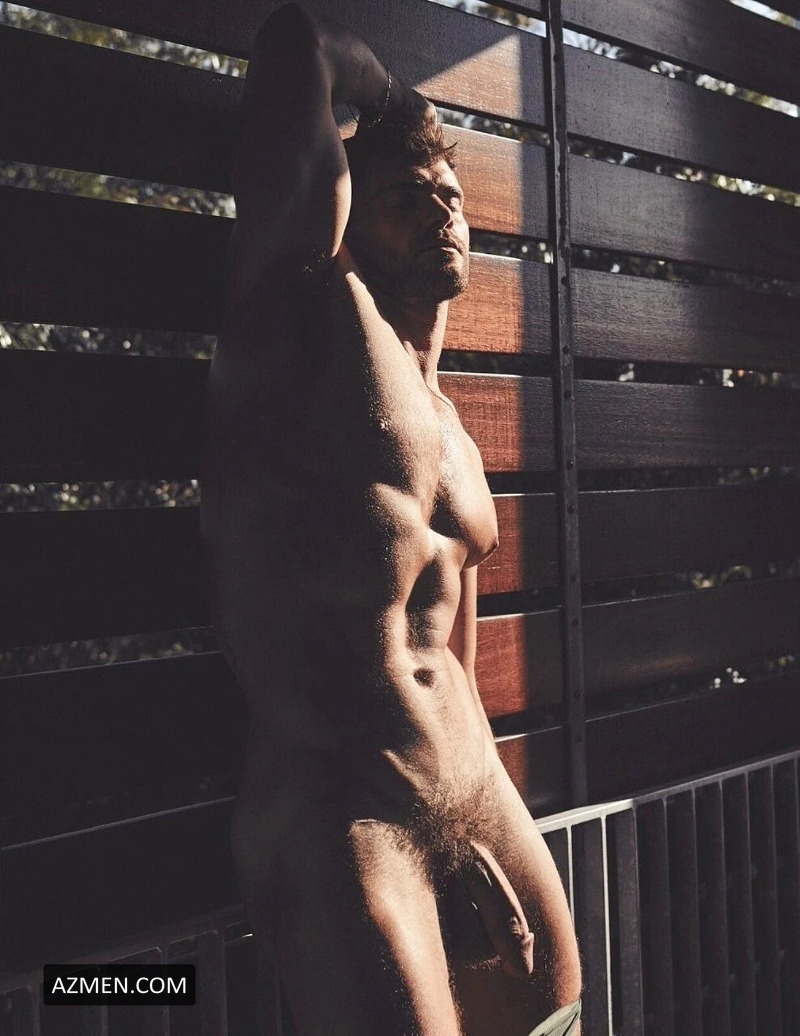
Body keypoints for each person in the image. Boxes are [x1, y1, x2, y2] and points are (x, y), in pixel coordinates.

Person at [200, 3, 582, 1033]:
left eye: (450, 196)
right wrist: (400, 100)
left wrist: (468, 820)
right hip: (344, 815)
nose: (441, 212)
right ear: (342, 216)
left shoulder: (450, 429)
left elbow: (452, 659)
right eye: (407, 197)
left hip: (472, 798)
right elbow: (297, 44)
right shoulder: (300, 322)